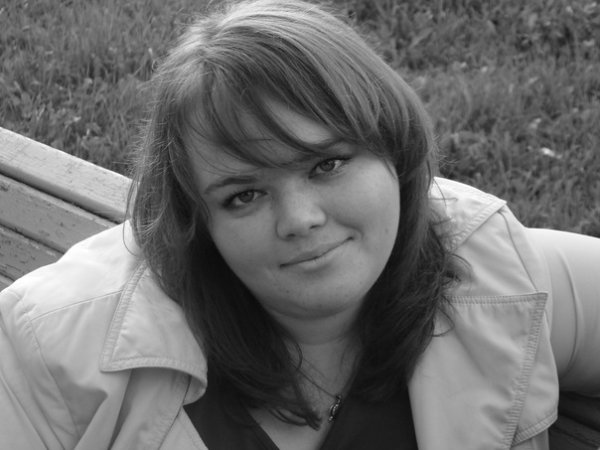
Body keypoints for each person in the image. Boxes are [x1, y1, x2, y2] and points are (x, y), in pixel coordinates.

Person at [1, 0, 599, 448]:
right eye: (244, 195)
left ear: (394, 149)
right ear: (197, 221)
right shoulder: (53, 350)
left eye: (326, 164)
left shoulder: (494, 271)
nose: (300, 220)